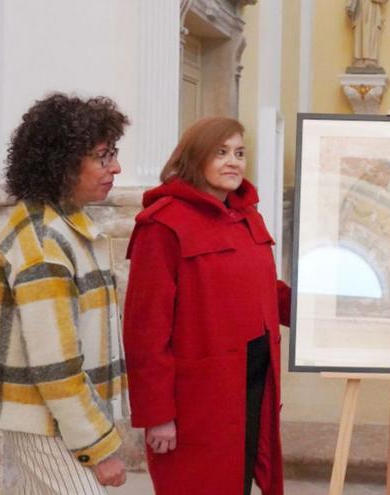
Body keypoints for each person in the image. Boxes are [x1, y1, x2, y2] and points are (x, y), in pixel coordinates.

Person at [0, 93, 130, 493]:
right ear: (64, 164)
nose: (115, 167)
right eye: (103, 156)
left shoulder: (63, 223)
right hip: (46, 421)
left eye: (112, 153)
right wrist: (99, 448)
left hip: (51, 419)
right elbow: (56, 366)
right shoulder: (44, 240)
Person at [123, 116, 291, 495]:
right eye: (221, 152)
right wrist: (158, 415)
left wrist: (317, 311)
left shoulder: (247, 216)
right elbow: (145, 328)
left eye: (239, 153)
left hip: (252, 389)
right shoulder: (162, 225)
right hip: (198, 400)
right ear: (195, 157)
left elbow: (265, 288)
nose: (233, 161)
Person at [346, 0, 388, 69]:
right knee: (360, 33)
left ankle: (371, 59)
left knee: (371, 33)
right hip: (360, 9)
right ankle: (359, 58)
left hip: (373, 10)